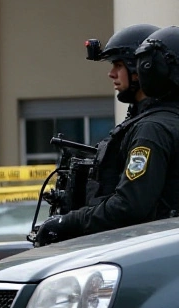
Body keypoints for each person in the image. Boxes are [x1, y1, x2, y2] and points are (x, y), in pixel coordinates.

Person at [34, 24, 179, 245]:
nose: (111, 73)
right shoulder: (157, 122)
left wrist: (67, 222)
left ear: (142, 69)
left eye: (118, 65)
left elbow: (130, 206)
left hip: (141, 250)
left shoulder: (153, 129)